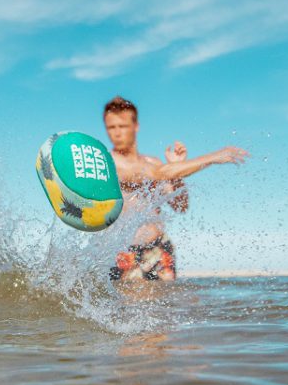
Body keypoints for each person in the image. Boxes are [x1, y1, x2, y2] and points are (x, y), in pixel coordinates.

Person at [103, 96, 248, 281]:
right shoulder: (109, 162)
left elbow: (180, 205)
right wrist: (212, 157)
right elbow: (157, 173)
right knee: (130, 304)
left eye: (122, 126)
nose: (116, 133)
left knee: (165, 307)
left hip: (159, 248)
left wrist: (177, 175)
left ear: (135, 126)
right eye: (111, 127)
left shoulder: (153, 162)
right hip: (125, 251)